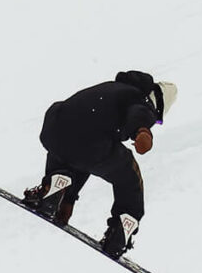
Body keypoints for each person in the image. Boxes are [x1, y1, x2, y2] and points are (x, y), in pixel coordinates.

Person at [21, 71, 177, 260]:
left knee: (72, 150)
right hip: (91, 141)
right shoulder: (141, 100)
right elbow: (139, 113)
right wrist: (142, 131)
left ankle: (56, 187)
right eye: (158, 118)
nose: (156, 121)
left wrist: (69, 199)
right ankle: (123, 225)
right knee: (129, 175)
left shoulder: (112, 89)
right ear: (157, 103)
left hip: (56, 126)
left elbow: (84, 149)